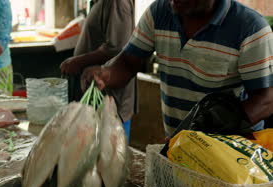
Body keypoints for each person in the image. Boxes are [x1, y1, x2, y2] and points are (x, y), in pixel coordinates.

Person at [87, 0, 272, 137]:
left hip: (232, 155)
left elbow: (266, 100)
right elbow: (127, 63)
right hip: (178, 146)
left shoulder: (250, 28)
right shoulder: (160, 12)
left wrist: (221, 124)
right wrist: (106, 74)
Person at [60, 0, 136, 139]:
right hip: (94, 97)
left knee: (109, 154)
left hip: (109, 101)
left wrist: (78, 61)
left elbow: (117, 49)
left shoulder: (115, 3)